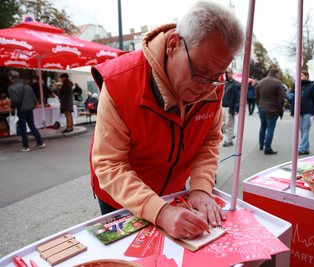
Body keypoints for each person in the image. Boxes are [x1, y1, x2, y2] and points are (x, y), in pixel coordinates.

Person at [90, 0, 244, 240]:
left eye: (217, 76)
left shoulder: (212, 86)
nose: (206, 89)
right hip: (121, 199)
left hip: (173, 193)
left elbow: (210, 139)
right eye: (200, 73)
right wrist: (160, 212)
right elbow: (110, 165)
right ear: (173, 45)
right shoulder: (121, 81)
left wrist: (201, 187)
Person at [7, 70, 45, 152]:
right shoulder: (27, 86)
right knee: (32, 125)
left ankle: (26, 146)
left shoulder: (11, 88)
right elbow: (34, 98)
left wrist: (12, 107)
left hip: (21, 110)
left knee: (23, 128)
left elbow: (15, 101)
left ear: (10, 78)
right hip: (30, 108)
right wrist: (32, 105)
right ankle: (40, 143)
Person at [255, 67, 285, 154]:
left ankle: (261, 144)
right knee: (270, 128)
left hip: (262, 108)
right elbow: (281, 99)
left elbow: (257, 97)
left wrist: (259, 106)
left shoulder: (260, 82)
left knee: (263, 126)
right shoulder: (278, 83)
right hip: (273, 109)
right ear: (277, 73)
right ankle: (267, 148)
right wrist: (280, 110)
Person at [290, 70, 314, 155]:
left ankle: (301, 148)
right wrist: (292, 111)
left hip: (308, 111)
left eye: (302, 75)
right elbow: (294, 100)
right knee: (302, 129)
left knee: (305, 130)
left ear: (307, 76)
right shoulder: (297, 86)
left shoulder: (312, 86)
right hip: (299, 111)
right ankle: (306, 148)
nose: (300, 77)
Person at [221, 67, 240, 147]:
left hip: (230, 107)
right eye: (226, 72)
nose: (227, 74)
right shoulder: (225, 83)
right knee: (221, 125)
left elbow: (238, 97)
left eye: (228, 72)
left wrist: (236, 108)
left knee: (229, 125)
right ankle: (230, 135)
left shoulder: (236, 84)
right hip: (222, 107)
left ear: (232, 73)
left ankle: (229, 140)